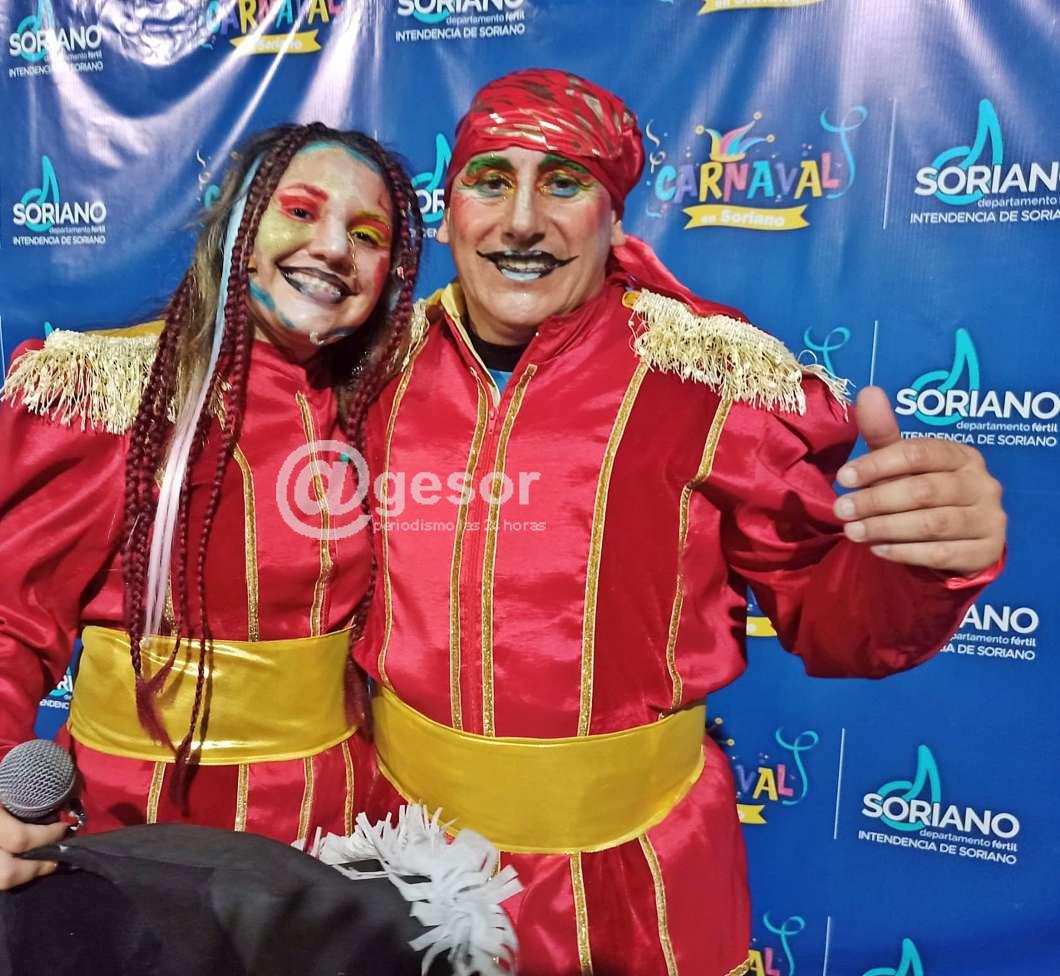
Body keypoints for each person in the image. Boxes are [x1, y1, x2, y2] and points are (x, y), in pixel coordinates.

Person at [354, 70, 1005, 975]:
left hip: (640, 880)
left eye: (565, 182)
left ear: (614, 214)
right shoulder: (370, 369)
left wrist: (920, 562)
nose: (522, 221)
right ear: (450, 205)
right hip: (405, 861)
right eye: (490, 180)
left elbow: (829, 614)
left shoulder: (712, 378)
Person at [0, 122, 423, 893]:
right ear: (236, 228)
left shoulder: (382, 398)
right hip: (141, 830)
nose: (333, 248)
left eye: (367, 236)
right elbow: (2, 620)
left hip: (334, 832)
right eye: (300, 211)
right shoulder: (112, 390)